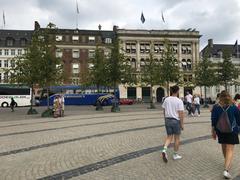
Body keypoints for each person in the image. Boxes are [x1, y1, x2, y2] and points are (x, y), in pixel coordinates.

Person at [211, 90, 240, 179]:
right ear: (229, 97)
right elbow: (238, 119)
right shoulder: (233, 107)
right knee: (230, 149)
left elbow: (213, 120)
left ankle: (226, 162)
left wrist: (213, 131)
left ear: (220, 97)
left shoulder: (216, 107)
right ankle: (226, 170)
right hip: (232, 131)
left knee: (224, 146)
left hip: (220, 130)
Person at [161, 85, 184, 163]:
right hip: (175, 121)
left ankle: (164, 150)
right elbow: (181, 113)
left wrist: (165, 119)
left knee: (169, 137)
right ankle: (175, 154)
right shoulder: (179, 101)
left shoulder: (166, 99)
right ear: (177, 91)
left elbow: (164, 110)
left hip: (167, 120)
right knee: (177, 138)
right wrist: (182, 124)